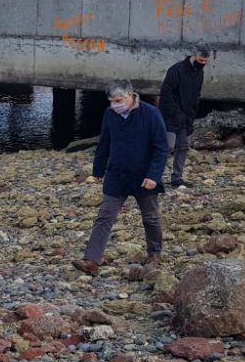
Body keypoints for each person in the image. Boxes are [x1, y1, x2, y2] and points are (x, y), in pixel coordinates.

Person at [72, 79, 169, 277]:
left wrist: (153, 175)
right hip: (116, 173)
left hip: (144, 175)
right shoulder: (110, 114)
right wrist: (98, 171)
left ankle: (154, 253)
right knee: (105, 216)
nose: (115, 104)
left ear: (130, 95)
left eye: (118, 100)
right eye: (111, 101)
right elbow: (104, 142)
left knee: (150, 217)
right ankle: (92, 260)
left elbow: (161, 147)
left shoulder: (150, 114)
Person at [158, 43, 211, 188]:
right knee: (167, 147)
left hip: (187, 117)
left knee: (184, 146)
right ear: (194, 55)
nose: (203, 64)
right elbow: (166, 95)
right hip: (170, 117)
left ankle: (177, 178)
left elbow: (196, 95)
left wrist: (192, 115)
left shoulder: (199, 72)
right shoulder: (176, 70)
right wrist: (176, 113)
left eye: (206, 62)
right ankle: (154, 178)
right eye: (201, 60)